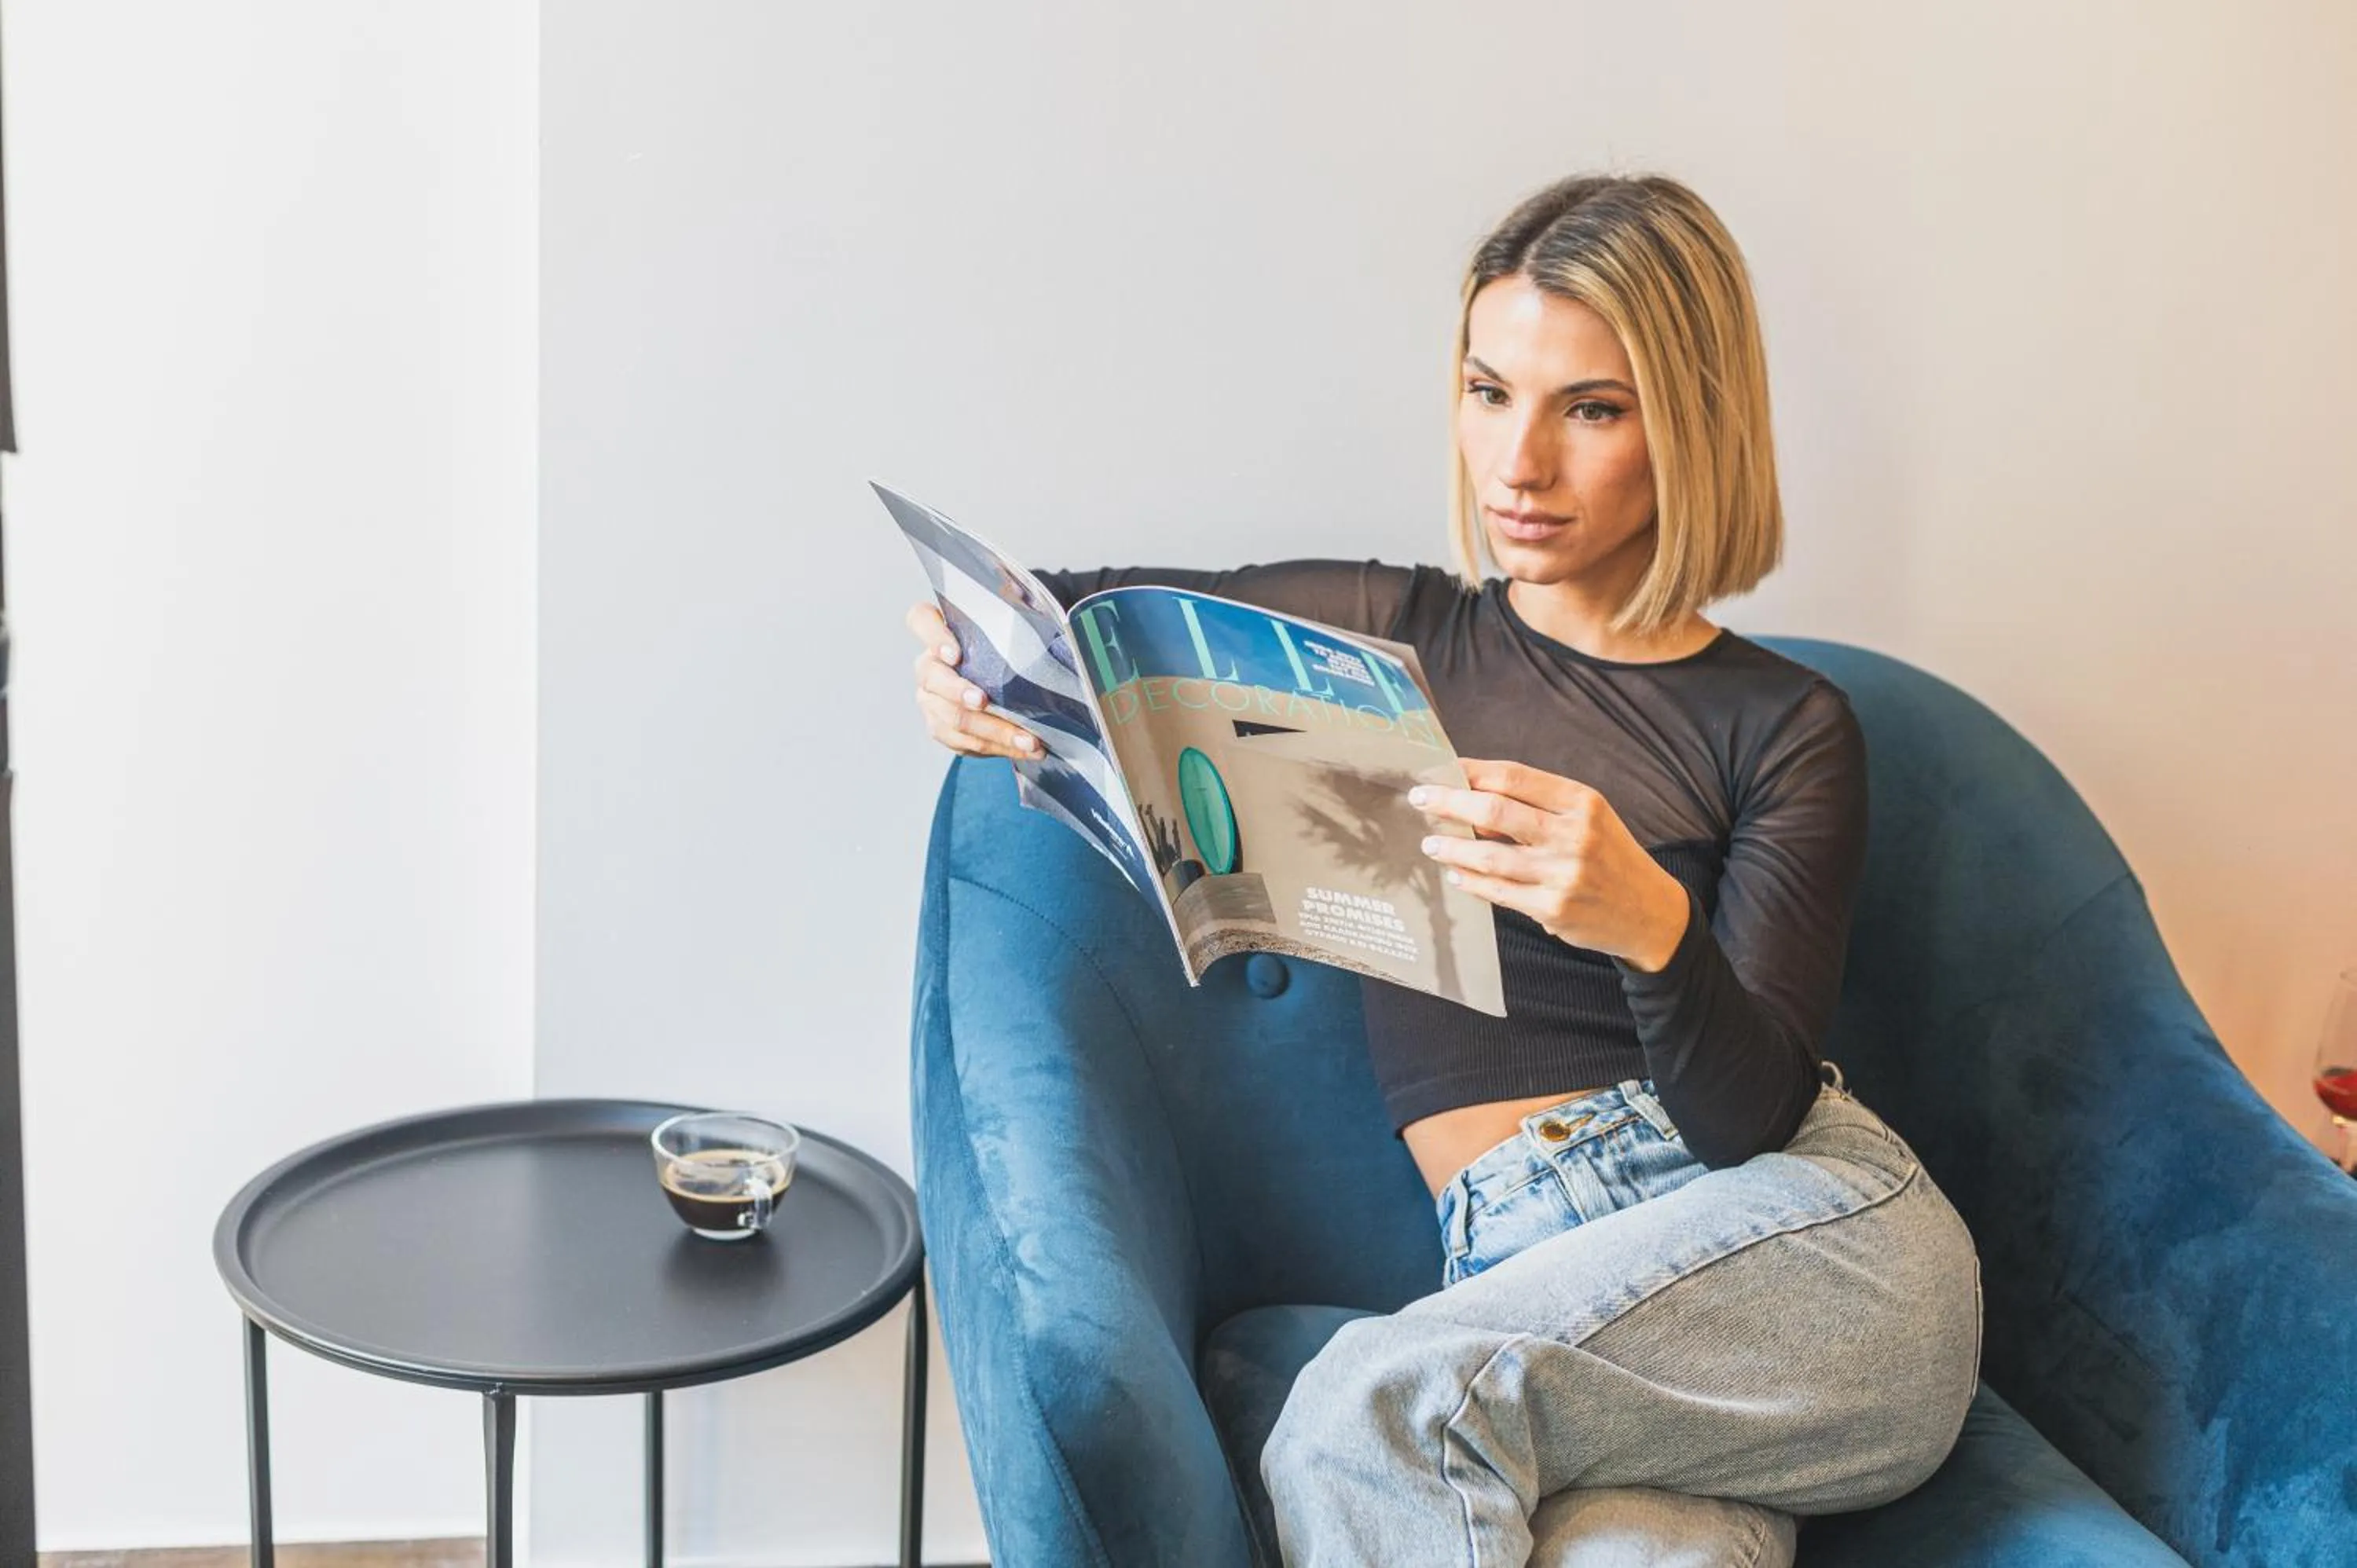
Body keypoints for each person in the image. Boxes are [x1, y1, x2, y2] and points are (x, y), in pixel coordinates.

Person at [903, 172, 1981, 1568]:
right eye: (1488, 392)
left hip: (1814, 1253)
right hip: (1527, 1290)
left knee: (1355, 1415)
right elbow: (1064, 618)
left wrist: (1650, 926)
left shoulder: (1785, 727)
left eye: (1590, 409)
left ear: (1691, 424)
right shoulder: (1383, 644)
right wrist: (962, 670)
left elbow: (1751, 1123)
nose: (1517, 464)